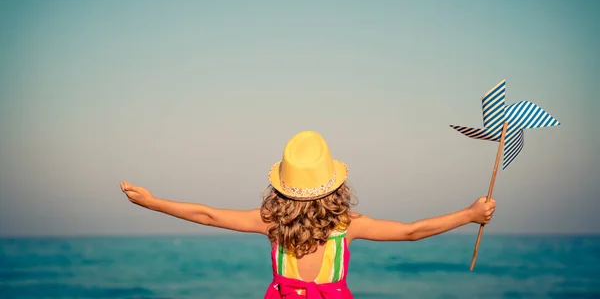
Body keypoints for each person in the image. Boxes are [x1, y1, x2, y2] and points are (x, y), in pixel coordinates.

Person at [120, 130, 496, 298]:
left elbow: (208, 216)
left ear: (282, 185)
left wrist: (153, 202)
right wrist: (469, 214)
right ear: (335, 185)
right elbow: (413, 232)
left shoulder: (271, 223)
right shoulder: (348, 227)